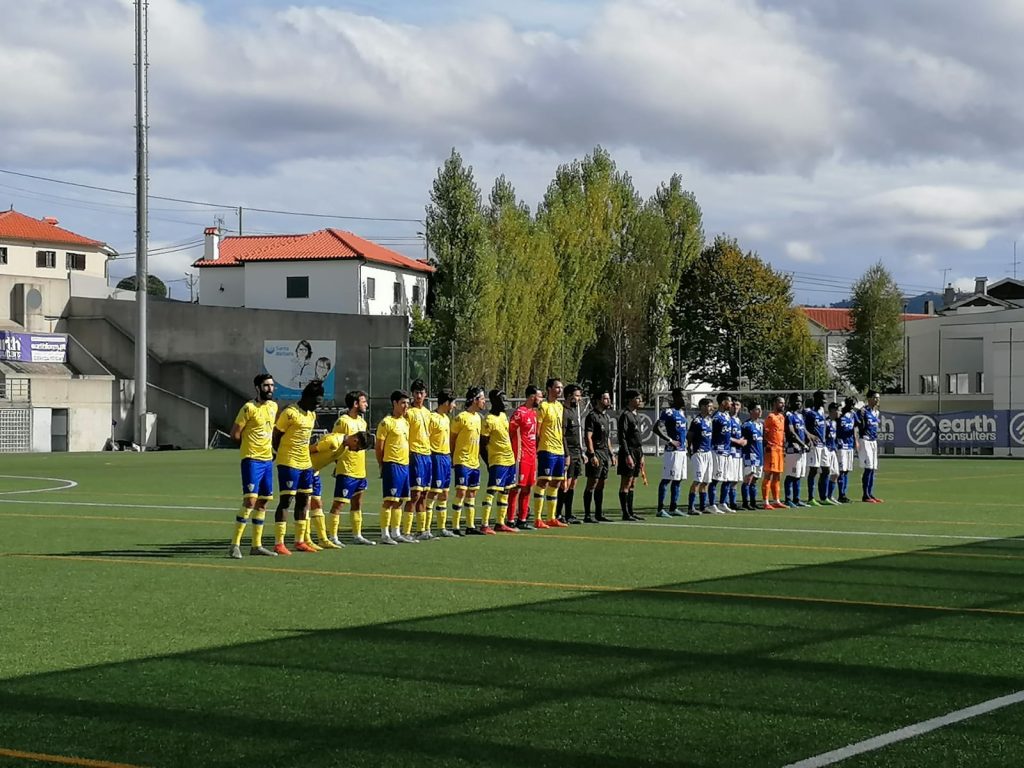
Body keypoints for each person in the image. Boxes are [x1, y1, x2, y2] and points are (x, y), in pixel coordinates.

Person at [228, 373, 279, 559]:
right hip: (251, 460)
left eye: (272, 385)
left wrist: (270, 449)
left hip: (267, 461)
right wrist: (249, 447)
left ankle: (256, 545)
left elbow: (270, 431)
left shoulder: (273, 407)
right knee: (250, 501)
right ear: (257, 387)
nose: (270, 389)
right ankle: (235, 544)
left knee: (264, 501)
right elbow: (234, 434)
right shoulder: (248, 408)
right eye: (266, 386)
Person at [271, 379, 323, 554]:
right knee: (286, 501)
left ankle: (299, 541)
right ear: (307, 397)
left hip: (305, 463)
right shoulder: (290, 412)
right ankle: (279, 543)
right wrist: (280, 452)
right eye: (316, 402)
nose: (317, 406)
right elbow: (276, 434)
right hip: (288, 462)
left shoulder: (311, 415)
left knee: (304, 500)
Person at [309, 428, 371, 546]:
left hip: (314, 472)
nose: (356, 451)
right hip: (305, 470)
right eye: (357, 448)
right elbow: (308, 451)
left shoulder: (344, 447)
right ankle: (305, 539)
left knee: (317, 504)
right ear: (355, 440)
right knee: (305, 505)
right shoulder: (332, 441)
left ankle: (323, 540)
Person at [327, 390, 374, 545]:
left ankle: (357, 535)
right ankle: (333, 536)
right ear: (355, 404)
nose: (366, 404)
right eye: (363, 401)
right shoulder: (343, 422)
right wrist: (338, 463)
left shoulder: (362, 422)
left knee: (357, 502)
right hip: (346, 470)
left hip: (360, 470)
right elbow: (333, 444)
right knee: (339, 503)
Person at [376, 390, 412, 545]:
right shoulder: (386, 422)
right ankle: (385, 534)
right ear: (395, 403)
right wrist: (382, 465)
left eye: (407, 403)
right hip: (392, 464)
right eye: (403, 403)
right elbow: (379, 447)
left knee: (400, 501)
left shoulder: (405, 422)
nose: (406, 406)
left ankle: (396, 532)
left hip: (404, 465)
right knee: (389, 500)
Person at [533, 378, 568, 529]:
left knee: (556, 483)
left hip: (559, 450)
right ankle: (537, 518)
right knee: (543, 482)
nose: (560, 390)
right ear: (549, 389)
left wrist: (565, 452)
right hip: (547, 449)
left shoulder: (560, 406)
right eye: (557, 387)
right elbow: (537, 430)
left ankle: (551, 517)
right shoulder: (543, 406)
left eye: (561, 388)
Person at [480, 389, 517, 534]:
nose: (506, 402)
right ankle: (484, 524)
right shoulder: (488, 420)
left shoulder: (503, 416)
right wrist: (488, 463)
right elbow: (482, 445)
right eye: (503, 399)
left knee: (506, 490)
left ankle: (500, 523)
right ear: (495, 401)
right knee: (492, 490)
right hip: (498, 460)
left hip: (509, 459)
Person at [451, 387, 485, 535]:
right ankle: (456, 526)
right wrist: (453, 457)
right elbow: (452, 439)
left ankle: (470, 526)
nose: (484, 402)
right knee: (461, 492)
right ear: (475, 400)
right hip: (462, 461)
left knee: (472, 494)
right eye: (482, 398)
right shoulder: (461, 418)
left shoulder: (478, 417)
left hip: (474, 462)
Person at [404, 379, 434, 540]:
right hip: (414, 454)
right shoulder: (409, 413)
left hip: (427, 455)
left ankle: (423, 530)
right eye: (416, 393)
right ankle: (407, 532)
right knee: (414, 494)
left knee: (424, 494)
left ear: (426, 395)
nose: (419, 396)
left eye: (421, 393)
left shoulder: (428, 413)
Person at [508, 385, 541, 530]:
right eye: (539, 396)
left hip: (531, 457)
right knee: (516, 488)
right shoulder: (519, 413)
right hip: (520, 457)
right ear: (532, 396)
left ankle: (522, 519)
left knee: (528, 488)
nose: (540, 400)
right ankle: (510, 520)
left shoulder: (533, 413)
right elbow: (510, 433)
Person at [654, 387, 688, 518]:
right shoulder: (669, 412)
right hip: (672, 451)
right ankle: (660, 509)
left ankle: (673, 507)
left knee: (678, 480)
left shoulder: (682, 413)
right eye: (683, 396)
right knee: (667, 479)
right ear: (676, 398)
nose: (685, 399)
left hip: (682, 451)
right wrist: (669, 440)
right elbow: (656, 427)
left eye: (686, 396)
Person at [583, 389, 615, 523]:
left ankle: (598, 513)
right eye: (606, 398)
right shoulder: (592, 416)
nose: (609, 401)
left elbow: (607, 438)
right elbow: (588, 437)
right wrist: (592, 455)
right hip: (595, 453)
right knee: (592, 483)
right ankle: (587, 515)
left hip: (604, 454)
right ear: (599, 400)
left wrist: (612, 454)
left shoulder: (606, 417)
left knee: (601, 484)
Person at [428, 390, 456, 537]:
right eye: (453, 403)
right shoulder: (432, 418)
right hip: (435, 457)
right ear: (446, 403)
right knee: (433, 492)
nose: (455, 406)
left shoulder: (446, 418)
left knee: (444, 493)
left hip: (445, 458)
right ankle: (425, 528)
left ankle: (441, 527)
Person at [557, 384, 585, 524]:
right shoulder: (564, 411)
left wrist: (582, 452)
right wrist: (566, 454)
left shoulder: (575, 411)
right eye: (577, 396)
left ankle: (568, 514)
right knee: (564, 485)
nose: (579, 399)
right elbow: (563, 435)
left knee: (573, 483)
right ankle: (557, 514)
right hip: (568, 453)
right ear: (569, 396)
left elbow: (576, 434)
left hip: (577, 453)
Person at [616, 389, 645, 521]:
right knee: (626, 482)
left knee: (633, 481)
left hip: (638, 451)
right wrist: (627, 455)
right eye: (638, 398)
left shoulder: (637, 415)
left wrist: (642, 454)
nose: (640, 401)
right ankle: (625, 513)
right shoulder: (625, 415)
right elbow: (622, 437)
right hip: (629, 451)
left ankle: (631, 512)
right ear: (631, 399)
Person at [686, 397, 714, 515]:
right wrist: (690, 450)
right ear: (702, 407)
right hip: (699, 453)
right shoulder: (696, 421)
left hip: (708, 453)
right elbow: (689, 436)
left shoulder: (709, 420)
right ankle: (691, 507)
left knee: (706, 481)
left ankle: (703, 506)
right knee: (697, 480)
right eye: (709, 406)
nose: (711, 408)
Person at [708, 392, 733, 514]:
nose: (731, 403)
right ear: (723, 402)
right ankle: (711, 504)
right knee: (715, 479)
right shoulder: (716, 417)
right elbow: (711, 434)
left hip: (727, 452)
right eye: (729, 401)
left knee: (727, 479)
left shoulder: (727, 416)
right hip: (717, 451)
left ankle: (722, 503)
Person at [784, 392, 809, 508]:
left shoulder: (799, 415)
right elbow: (791, 433)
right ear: (791, 402)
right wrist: (802, 443)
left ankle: (796, 498)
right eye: (797, 401)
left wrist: (809, 440)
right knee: (791, 475)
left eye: (800, 401)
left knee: (798, 475)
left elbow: (803, 430)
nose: (799, 403)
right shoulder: (789, 415)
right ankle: (788, 499)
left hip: (801, 450)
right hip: (792, 449)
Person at [761, 396, 786, 509]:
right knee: (768, 474)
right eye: (780, 403)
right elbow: (764, 432)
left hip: (780, 449)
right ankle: (766, 501)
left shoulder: (781, 417)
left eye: (783, 403)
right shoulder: (770, 417)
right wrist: (768, 444)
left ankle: (776, 500)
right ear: (775, 403)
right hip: (771, 449)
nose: (783, 405)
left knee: (777, 475)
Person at [803, 391, 827, 507]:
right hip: (814, 446)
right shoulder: (809, 413)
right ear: (816, 399)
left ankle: (823, 497)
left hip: (823, 445)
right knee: (813, 471)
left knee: (826, 469)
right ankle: (810, 498)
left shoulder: (821, 412)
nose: (825, 401)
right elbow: (802, 427)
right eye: (823, 399)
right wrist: (809, 436)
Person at [859, 390, 883, 503]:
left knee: (873, 468)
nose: (877, 400)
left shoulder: (876, 412)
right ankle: (865, 495)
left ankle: (870, 493)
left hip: (874, 441)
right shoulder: (863, 411)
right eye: (875, 397)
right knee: (868, 468)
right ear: (869, 399)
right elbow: (859, 425)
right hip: (865, 440)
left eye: (878, 398)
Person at [836, 396, 859, 503]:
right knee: (842, 471)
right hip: (841, 446)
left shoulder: (853, 414)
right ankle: (841, 494)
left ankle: (844, 493)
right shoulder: (840, 415)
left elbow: (856, 426)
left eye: (854, 404)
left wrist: (856, 441)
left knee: (847, 471)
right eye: (851, 404)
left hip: (850, 446)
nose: (852, 406)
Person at [741, 402, 764, 510]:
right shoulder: (746, 425)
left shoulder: (760, 424)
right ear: (751, 411)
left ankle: (753, 502)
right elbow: (742, 440)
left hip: (759, 455)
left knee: (755, 479)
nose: (760, 412)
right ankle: (746, 502)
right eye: (757, 409)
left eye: (760, 409)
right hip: (750, 455)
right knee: (748, 479)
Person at [819, 402, 841, 505]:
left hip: (832, 449)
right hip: (826, 449)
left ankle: (830, 496)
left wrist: (835, 447)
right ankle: (823, 497)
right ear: (833, 410)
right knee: (826, 472)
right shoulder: (826, 422)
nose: (839, 412)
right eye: (838, 410)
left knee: (836, 473)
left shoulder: (835, 423)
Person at [728, 398, 747, 510]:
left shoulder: (738, 420)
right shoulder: (728, 419)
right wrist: (738, 441)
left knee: (735, 479)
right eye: (734, 405)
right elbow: (725, 436)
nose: (735, 407)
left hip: (738, 453)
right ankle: (726, 502)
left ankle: (733, 502)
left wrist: (744, 440)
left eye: (738, 405)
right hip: (730, 453)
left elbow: (740, 436)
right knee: (729, 479)